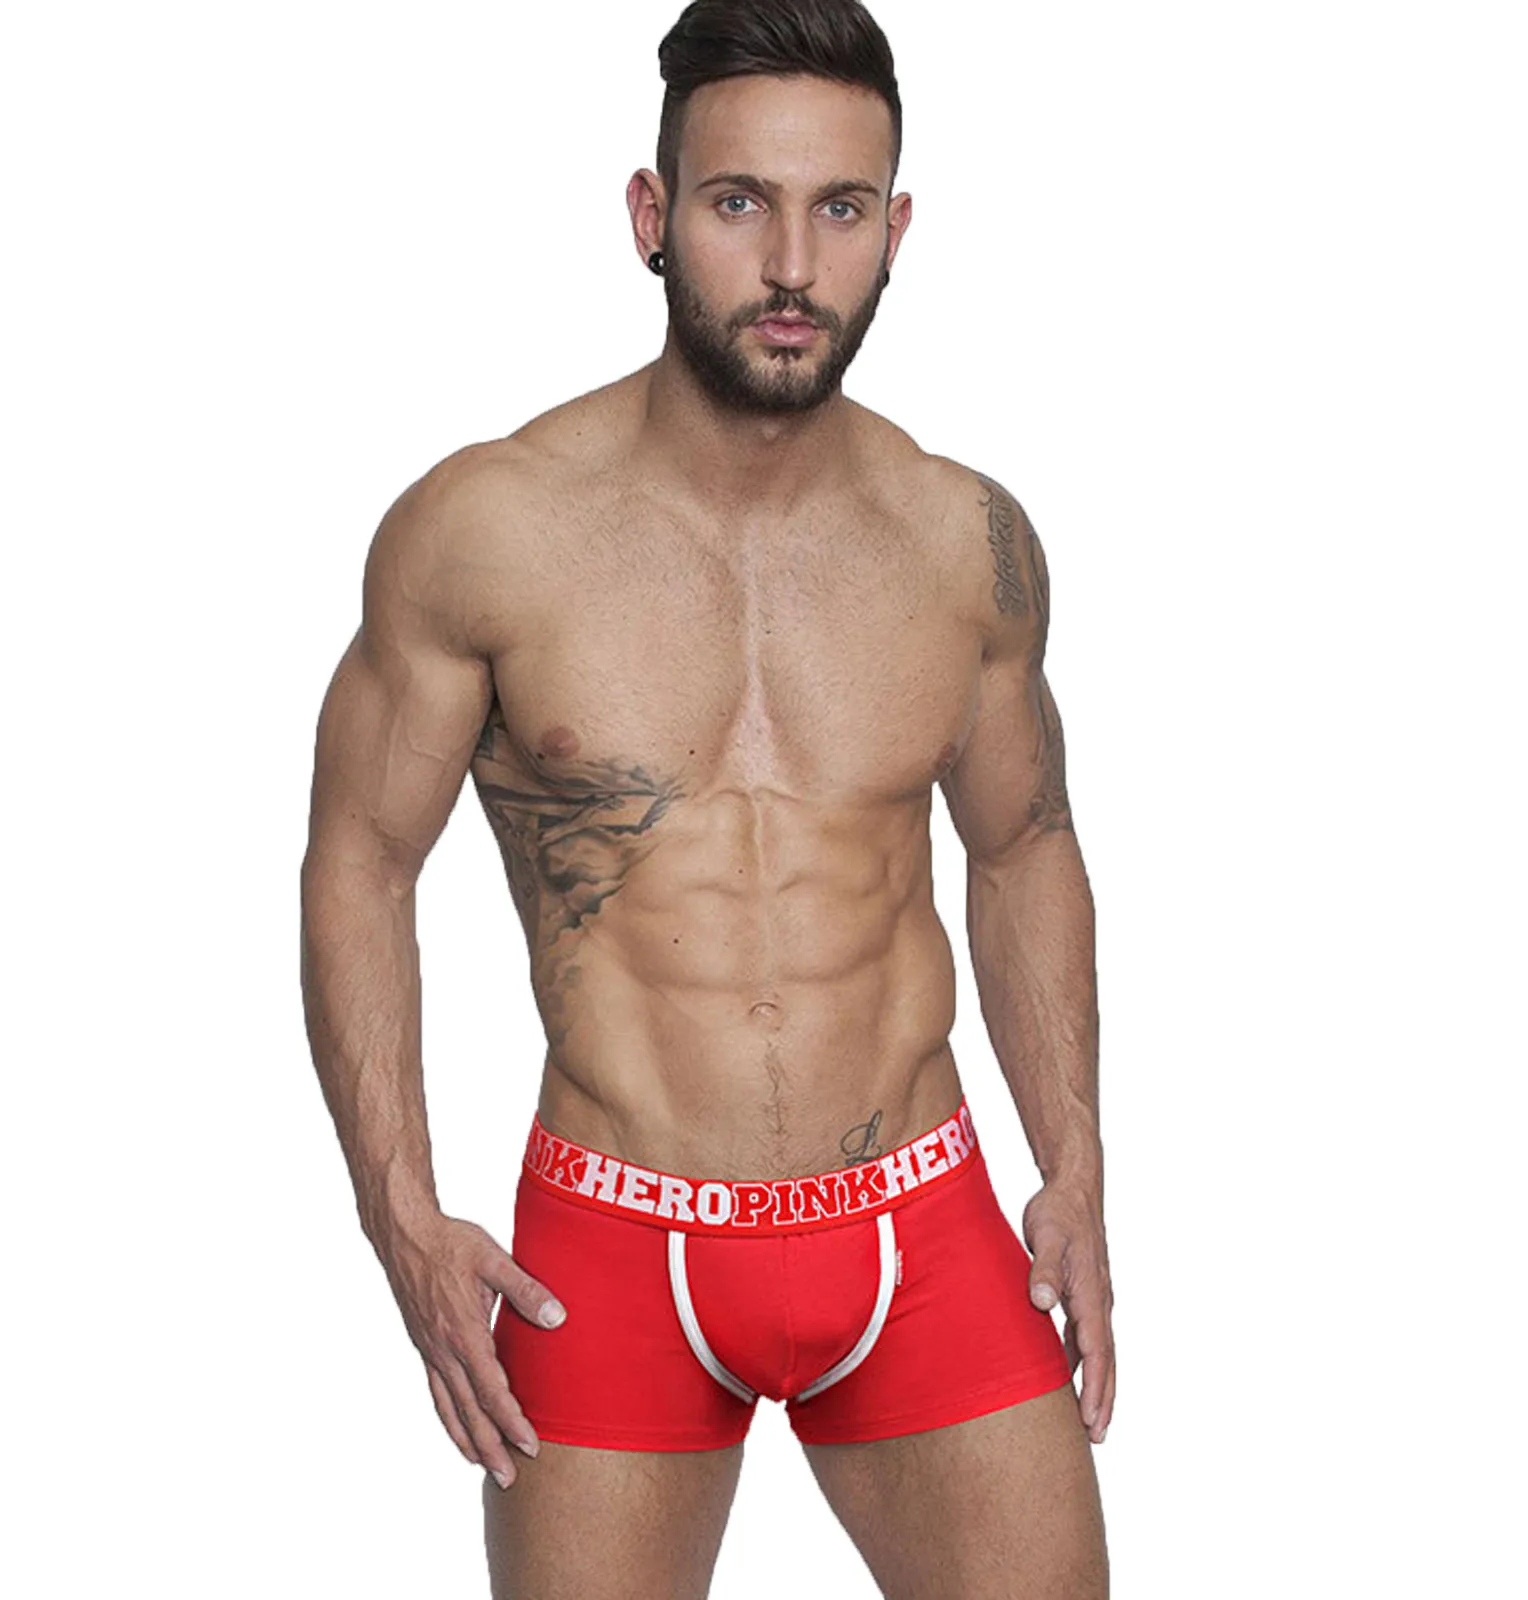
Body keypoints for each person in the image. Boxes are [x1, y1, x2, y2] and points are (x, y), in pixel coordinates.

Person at [299, 0, 1113, 1593]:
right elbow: (359, 859)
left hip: (920, 1223)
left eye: (842, 209)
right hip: (614, 1243)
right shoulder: (488, 530)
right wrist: (402, 1214)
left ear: (896, 232)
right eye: (742, 202)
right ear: (652, 217)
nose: (794, 265)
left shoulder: (964, 541)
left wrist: (1074, 1164)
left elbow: (1023, 844)